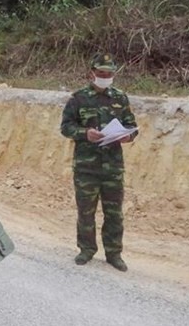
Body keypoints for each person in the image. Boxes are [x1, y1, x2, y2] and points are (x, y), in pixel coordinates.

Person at [60, 53, 139, 272]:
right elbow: (66, 127)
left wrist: (127, 136)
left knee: (114, 213)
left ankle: (114, 254)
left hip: (112, 167)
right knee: (86, 211)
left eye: (109, 74)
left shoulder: (120, 98)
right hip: (86, 166)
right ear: (92, 73)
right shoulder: (78, 98)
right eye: (101, 73)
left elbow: (133, 126)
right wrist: (85, 133)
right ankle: (86, 249)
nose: (105, 77)